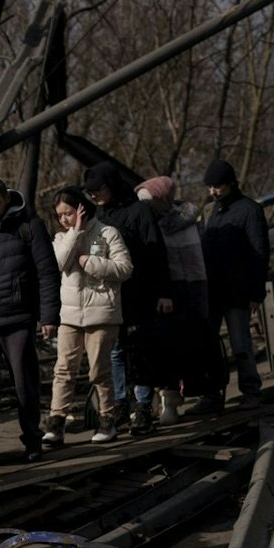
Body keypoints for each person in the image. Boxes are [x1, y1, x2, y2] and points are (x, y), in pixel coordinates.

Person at [0, 176, 58, 466]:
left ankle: (32, 440)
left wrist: (49, 316)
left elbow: (47, 273)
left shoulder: (29, 227)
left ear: (6, 200)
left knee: (24, 385)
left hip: (18, 319)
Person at [84, 162, 173, 433]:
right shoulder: (98, 216)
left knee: (140, 349)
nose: (94, 196)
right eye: (90, 192)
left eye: (98, 189)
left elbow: (157, 253)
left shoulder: (139, 211)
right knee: (116, 351)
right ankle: (121, 403)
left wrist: (163, 292)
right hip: (111, 296)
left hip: (140, 292)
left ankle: (143, 405)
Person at [44, 187, 134, 446]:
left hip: (101, 314)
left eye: (69, 213)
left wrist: (92, 263)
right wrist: (75, 233)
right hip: (69, 316)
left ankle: (107, 420)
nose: (64, 219)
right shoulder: (62, 238)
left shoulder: (107, 234)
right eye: (60, 215)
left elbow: (125, 268)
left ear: (82, 208)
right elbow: (57, 264)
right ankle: (56, 422)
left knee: (99, 371)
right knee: (63, 369)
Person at [133, 176, 210, 423]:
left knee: (176, 347)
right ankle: (153, 401)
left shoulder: (182, 224)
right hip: (153, 292)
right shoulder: (144, 224)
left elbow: (194, 265)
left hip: (181, 293)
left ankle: (172, 399)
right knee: (151, 349)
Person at [199, 158, 272, 410]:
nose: (213, 191)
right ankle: (211, 395)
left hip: (237, 289)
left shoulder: (250, 210)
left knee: (241, 345)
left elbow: (259, 252)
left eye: (217, 186)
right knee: (209, 345)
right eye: (210, 187)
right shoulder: (211, 211)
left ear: (231, 184)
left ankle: (251, 391)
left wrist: (255, 290)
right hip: (212, 290)